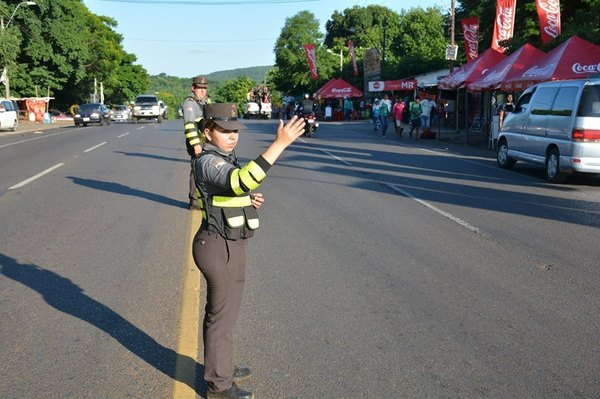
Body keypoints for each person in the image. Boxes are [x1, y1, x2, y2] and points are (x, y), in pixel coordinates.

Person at [192, 103, 305, 399]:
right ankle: (219, 385)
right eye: (224, 130)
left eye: (235, 131)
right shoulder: (207, 161)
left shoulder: (223, 156)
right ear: (207, 132)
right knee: (221, 315)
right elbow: (238, 180)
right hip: (218, 245)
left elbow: (231, 192)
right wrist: (279, 144)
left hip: (229, 244)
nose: (232, 136)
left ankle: (221, 366)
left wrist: (247, 200)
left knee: (225, 314)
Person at [182, 75, 209, 210]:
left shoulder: (203, 102)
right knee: (197, 171)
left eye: (204, 88)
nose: (203, 91)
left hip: (205, 141)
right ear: (193, 88)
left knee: (205, 170)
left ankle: (203, 199)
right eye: (200, 88)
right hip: (197, 142)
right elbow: (189, 125)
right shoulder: (190, 103)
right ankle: (194, 202)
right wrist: (196, 144)